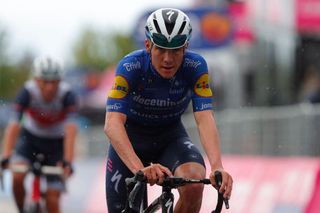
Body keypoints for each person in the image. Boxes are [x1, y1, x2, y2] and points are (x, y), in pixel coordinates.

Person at [104, 8, 233, 213]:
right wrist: (140, 169)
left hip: (170, 137)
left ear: (186, 47)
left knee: (194, 184)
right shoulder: (130, 67)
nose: (167, 59)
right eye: (161, 49)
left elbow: (204, 117)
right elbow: (112, 123)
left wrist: (217, 165)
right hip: (131, 140)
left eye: (175, 50)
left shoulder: (195, 66)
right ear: (148, 45)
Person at [0, 56, 78, 213]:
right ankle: (22, 209)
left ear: (60, 81)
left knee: (52, 198)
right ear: (36, 80)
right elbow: (13, 125)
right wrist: (6, 156)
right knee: (17, 177)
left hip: (56, 144)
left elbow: (71, 130)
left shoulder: (67, 95)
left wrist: (68, 161)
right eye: (45, 81)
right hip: (30, 140)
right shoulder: (27, 92)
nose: (49, 87)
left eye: (54, 81)